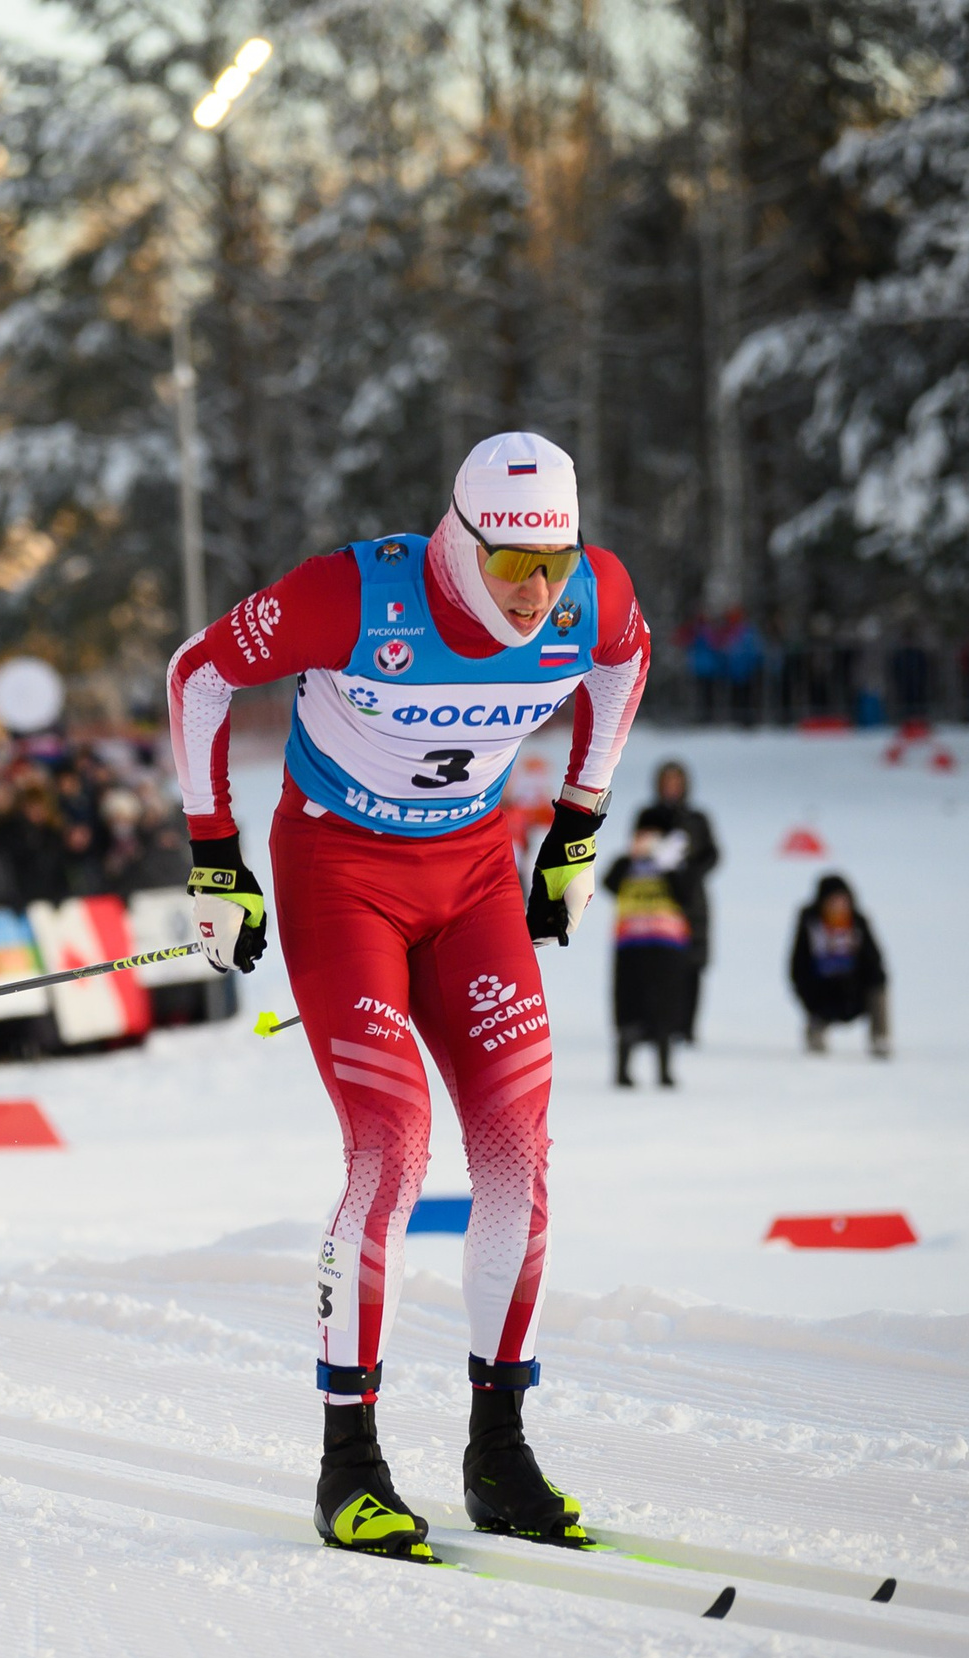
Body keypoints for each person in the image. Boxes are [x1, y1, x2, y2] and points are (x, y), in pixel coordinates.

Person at [165, 430, 649, 1559]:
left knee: (518, 1151)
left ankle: (499, 1447)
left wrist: (577, 826)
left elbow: (626, 663)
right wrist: (212, 855)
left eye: (556, 562)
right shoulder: (353, 594)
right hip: (342, 877)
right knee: (391, 1144)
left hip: (472, 876)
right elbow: (199, 671)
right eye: (511, 564)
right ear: (459, 536)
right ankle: (350, 1463)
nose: (537, 593)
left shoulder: (594, 594)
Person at [604, 808, 697, 1088]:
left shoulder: (674, 866)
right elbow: (609, 884)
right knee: (628, 1007)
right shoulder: (627, 863)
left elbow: (687, 895)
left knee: (664, 1008)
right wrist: (631, 857)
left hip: (666, 947)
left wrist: (667, 865)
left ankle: (664, 1070)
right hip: (630, 946)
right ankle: (623, 1069)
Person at [640, 760, 718, 1040]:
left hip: (692, 901)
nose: (672, 788)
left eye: (676, 782)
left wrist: (689, 870)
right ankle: (654, 1025)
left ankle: (687, 1026)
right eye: (667, 782)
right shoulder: (648, 816)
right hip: (655, 901)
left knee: (692, 964)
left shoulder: (697, 819)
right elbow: (637, 851)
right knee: (655, 965)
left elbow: (713, 855)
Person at [790, 873, 889, 1057]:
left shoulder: (858, 924)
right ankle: (815, 1032)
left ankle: (880, 1038)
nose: (838, 906)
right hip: (822, 992)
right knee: (813, 994)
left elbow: (875, 962)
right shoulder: (811, 925)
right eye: (832, 900)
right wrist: (808, 996)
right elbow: (797, 966)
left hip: (854, 990)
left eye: (842, 900)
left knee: (878, 984)